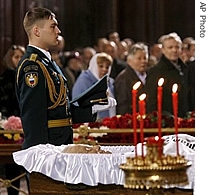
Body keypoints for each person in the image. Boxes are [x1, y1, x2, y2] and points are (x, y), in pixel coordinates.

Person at [146, 32, 189, 117]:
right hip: (168, 121)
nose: (174, 50)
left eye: (177, 47)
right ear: (163, 50)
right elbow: (152, 101)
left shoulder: (186, 69)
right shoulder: (156, 71)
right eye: (170, 47)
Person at [0, 45, 25, 195]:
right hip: (8, 124)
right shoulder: (7, 77)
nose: (19, 60)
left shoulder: (20, 76)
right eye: (16, 57)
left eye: (21, 57)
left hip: (21, 124)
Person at [72, 52, 116, 121]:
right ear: (94, 65)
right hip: (91, 126)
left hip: (108, 124)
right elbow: (77, 105)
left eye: (107, 67)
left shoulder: (109, 82)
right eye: (101, 66)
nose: (104, 69)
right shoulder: (83, 81)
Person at [114, 43, 149, 115]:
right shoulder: (123, 78)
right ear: (129, 61)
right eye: (139, 58)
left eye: (145, 58)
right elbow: (123, 106)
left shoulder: (150, 75)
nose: (143, 61)